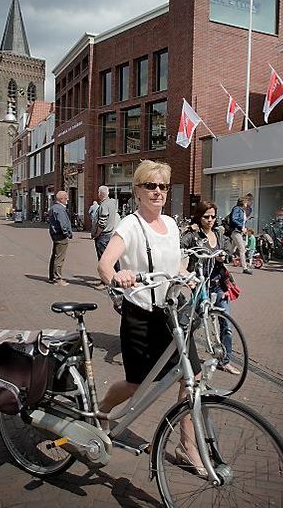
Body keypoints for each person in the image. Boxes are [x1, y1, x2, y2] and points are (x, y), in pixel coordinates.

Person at [97, 160, 204, 472]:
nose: (157, 191)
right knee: (136, 385)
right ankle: (102, 410)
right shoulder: (129, 225)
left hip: (171, 315)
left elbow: (173, 266)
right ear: (138, 190)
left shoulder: (171, 225)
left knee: (192, 377)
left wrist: (185, 275)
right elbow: (104, 265)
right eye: (150, 186)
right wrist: (118, 277)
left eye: (162, 186)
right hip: (141, 317)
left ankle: (187, 446)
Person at [180, 201, 241, 375]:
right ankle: (181, 353)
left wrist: (224, 257)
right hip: (201, 284)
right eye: (206, 216)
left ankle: (225, 360)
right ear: (199, 217)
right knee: (191, 322)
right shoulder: (194, 235)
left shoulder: (219, 234)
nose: (210, 220)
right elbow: (178, 247)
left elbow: (229, 254)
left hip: (218, 283)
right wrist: (188, 230)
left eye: (213, 216)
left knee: (226, 323)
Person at [93, 185, 121, 275]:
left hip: (103, 235)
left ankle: (105, 281)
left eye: (98, 192)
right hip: (110, 234)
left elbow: (102, 222)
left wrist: (97, 234)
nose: (97, 194)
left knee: (103, 259)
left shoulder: (104, 205)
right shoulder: (112, 203)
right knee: (112, 257)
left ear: (100, 194)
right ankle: (117, 275)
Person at [49, 190, 73, 285]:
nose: (67, 199)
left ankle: (52, 276)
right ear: (61, 199)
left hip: (55, 235)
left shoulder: (54, 207)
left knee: (55, 256)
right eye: (66, 198)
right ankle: (57, 279)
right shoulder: (60, 209)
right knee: (59, 258)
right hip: (60, 236)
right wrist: (67, 233)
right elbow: (63, 223)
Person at [228, 196, 253, 274]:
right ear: (243, 202)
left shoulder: (242, 210)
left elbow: (241, 221)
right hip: (236, 231)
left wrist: (244, 228)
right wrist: (240, 227)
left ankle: (223, 259)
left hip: (238, 231)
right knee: (242, 249)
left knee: (232, 250)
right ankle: (245, 268)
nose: (247, 204)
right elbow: (234, 219)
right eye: (246, 202)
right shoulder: (237, 209)